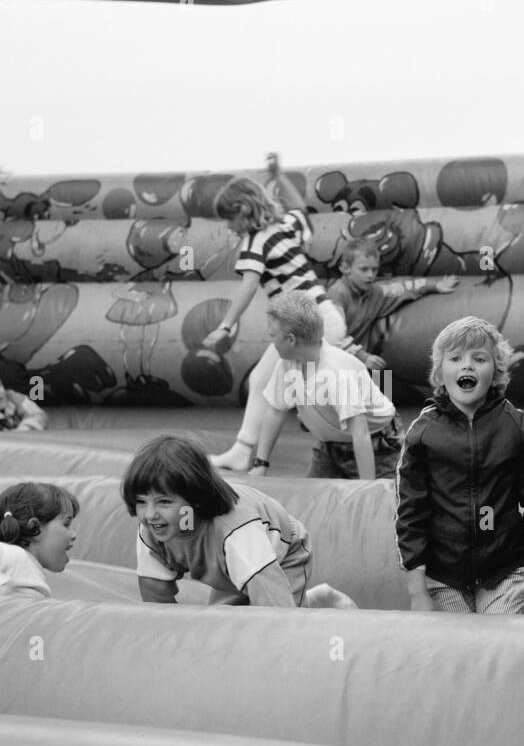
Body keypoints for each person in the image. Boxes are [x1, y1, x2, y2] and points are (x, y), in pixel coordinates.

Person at [396, 317, 524, 614]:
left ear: (495, 371)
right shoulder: (424, 432)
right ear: (440, 371)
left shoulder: (516, 426)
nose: (466, 366)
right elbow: (410, 513)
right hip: (444, 575)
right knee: (455, 650)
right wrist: (416, 590)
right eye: (456, 358)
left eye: (479, 358)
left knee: (504, 644)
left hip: (506, 570)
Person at [205, 167, 358, 471]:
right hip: (326, 317)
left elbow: (249, 285)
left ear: (242, 210)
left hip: (305, 323)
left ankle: (245, 451)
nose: (228, 227)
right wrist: (279, 176)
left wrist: (226, 325)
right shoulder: (287, 225)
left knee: (265, 381)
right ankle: (252, 452)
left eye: (229, 219)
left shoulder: (254, 242)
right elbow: (300, 208)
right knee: (285, 382)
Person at [123, 435, 354, 607]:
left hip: (282, 555)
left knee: (265, 632)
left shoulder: (235, 530)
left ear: (195, 500)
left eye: (164, 502)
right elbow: (156, 599)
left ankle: (319, 603)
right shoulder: (152, 529)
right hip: (230, 567)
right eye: (141, 502)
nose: (150, 514)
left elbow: (277, 611)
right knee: (225, 624)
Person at [254, 291, 401, 480]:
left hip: (376, 443)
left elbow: (360, 433)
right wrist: (261, 463)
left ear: (291, 340)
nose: (271, 341)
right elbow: (275, 410)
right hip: (329, 444)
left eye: (273, 335)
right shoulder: (287, 362)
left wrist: (367, 489)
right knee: (316, 503)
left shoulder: (337, 371)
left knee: (379, 501)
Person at [326, 239, 460, 368]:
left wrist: (436, 285)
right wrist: (363, 356)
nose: (370, 275)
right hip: (327, 364)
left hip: (351, 366)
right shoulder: (336, 294)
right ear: (345, 268)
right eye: (364, 269)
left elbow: (404, 287)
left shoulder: (374, 293)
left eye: (374, 270)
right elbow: (332, 336)